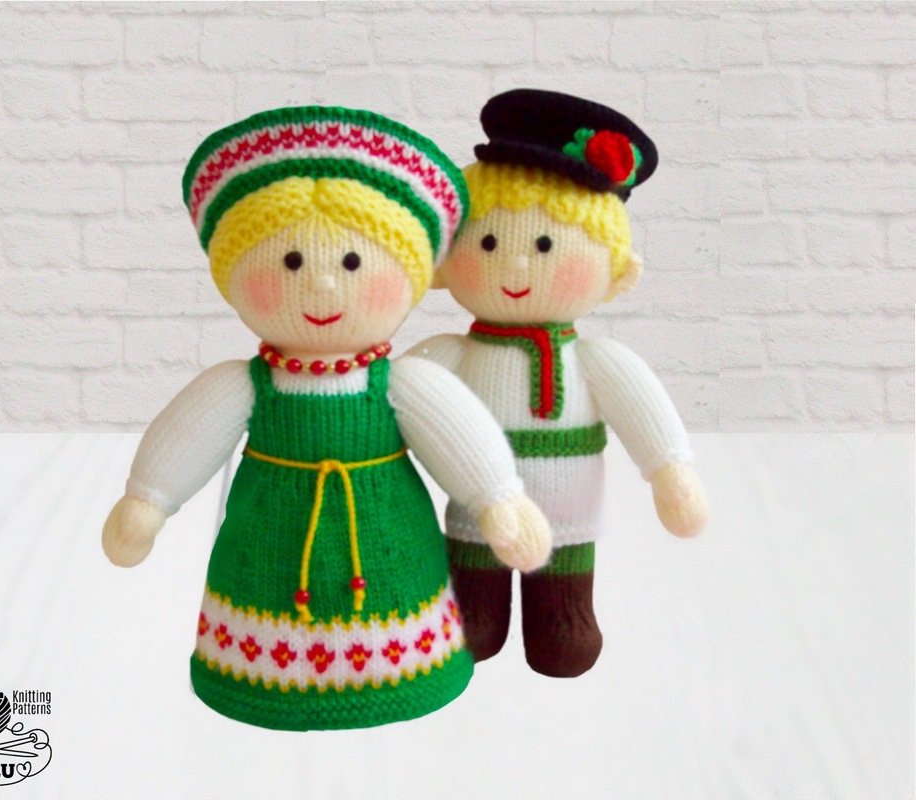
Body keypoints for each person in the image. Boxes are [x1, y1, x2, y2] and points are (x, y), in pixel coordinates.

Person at [101, 105, 552, 729]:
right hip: (267, 556)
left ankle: (406, 670)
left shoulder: (399, 384)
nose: (322, 287)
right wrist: (149, 499)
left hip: (392, 558)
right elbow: (188, 437)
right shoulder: (248, 385)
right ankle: (262, 679)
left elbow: (461, 436)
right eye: (290, 262)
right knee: (261, 597)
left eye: (352, 263)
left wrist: (497, 498)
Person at [412, 89, 709, 677]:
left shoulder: (597, 360)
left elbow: (645, 413)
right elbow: (404, 397)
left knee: (564, 633)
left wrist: (670, 471)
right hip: (478, 513)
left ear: (613, 269)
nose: (517, 265)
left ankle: (565, 614)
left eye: (546, 245)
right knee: (472, 613)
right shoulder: (452, 355)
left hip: (568, 515)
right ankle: (473, 612)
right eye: (488, 242)